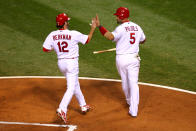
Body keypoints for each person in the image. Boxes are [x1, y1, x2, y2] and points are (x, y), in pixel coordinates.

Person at [42, 13, 96, 123]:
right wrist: (93, 28)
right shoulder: (73, 34)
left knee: (75, 84)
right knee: (71, 87)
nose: (68, 22)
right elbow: (87, 40)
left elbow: (45, 49)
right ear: (65, 23)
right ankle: (62, 109)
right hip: (71, 63)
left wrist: (55, 47)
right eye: (67, 21)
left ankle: (83, 105)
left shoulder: (52, 34)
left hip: (61, 64)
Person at [95, 7, 146, 117]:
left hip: (122, 59)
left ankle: (129, 101)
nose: (116, 17)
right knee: (134, 83)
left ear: (122, 17)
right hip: (134, 59)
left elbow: (109, 37)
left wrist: (99, 26)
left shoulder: (121, 28)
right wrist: (134, 43)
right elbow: (143, 40)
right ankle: (134, 109)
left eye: (117, 16)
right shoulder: (137, 27)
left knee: (125, 83)